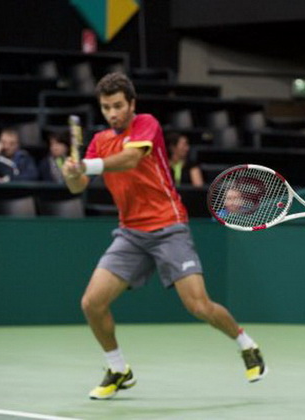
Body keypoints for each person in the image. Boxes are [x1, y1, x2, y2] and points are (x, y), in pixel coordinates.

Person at [62, 72, 266, 400]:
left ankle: (247, 345)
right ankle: (117, 368)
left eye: (117, 106)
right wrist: (72, 173)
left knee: (198, 305)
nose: (112, 113)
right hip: (130, 233)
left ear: (131, 104)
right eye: (105, 108)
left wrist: (86, 167)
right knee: (92, 303)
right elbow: (78, 187)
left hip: (168, 226)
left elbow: (130, 159)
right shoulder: (99, 142)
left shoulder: (146, 125)